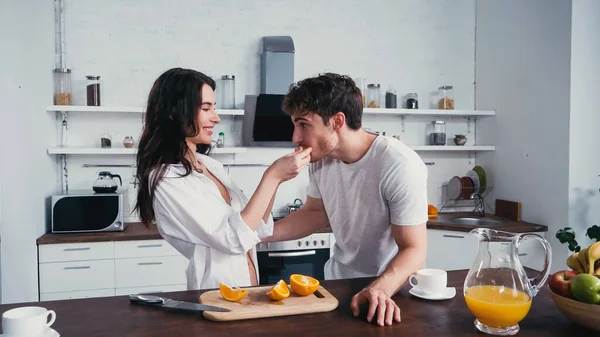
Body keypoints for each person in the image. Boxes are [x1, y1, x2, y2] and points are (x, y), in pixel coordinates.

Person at [263, 73, 428, 327]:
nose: (295, 137)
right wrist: (260, 234)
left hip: (389, 293)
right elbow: (314, 213)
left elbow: (414, 250)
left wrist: (380, 289)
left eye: (303, 124)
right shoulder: (321, 161)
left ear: (337, 121)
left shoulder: (399, 164)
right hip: (336, 285)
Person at [134, 67, 312, 290]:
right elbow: (232, 239)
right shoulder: (165, 178)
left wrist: (278, 179)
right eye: (206, 108)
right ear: (173, 112)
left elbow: (254, 229)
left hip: (249, 290)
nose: (216, 118)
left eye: (214, 108)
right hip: (216, 294)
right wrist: (272, 175)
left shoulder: (210, 165)